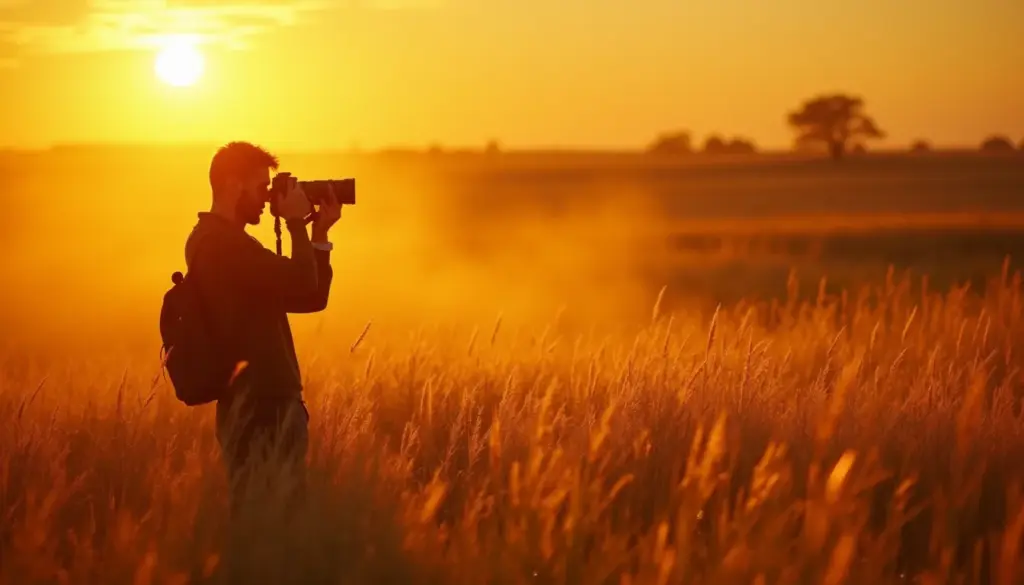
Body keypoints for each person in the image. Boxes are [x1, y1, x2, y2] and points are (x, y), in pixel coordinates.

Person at [183, 141, 341, 510]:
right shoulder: (221, 246)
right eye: (260, 187)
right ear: (232, 185)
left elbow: (309, 297)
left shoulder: (228, 243)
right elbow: (303, 284)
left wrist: (319, 235)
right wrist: (297, 224)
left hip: (263, 405)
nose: (267, 198)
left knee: (271, 515)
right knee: (273, 517)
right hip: (260, 408)